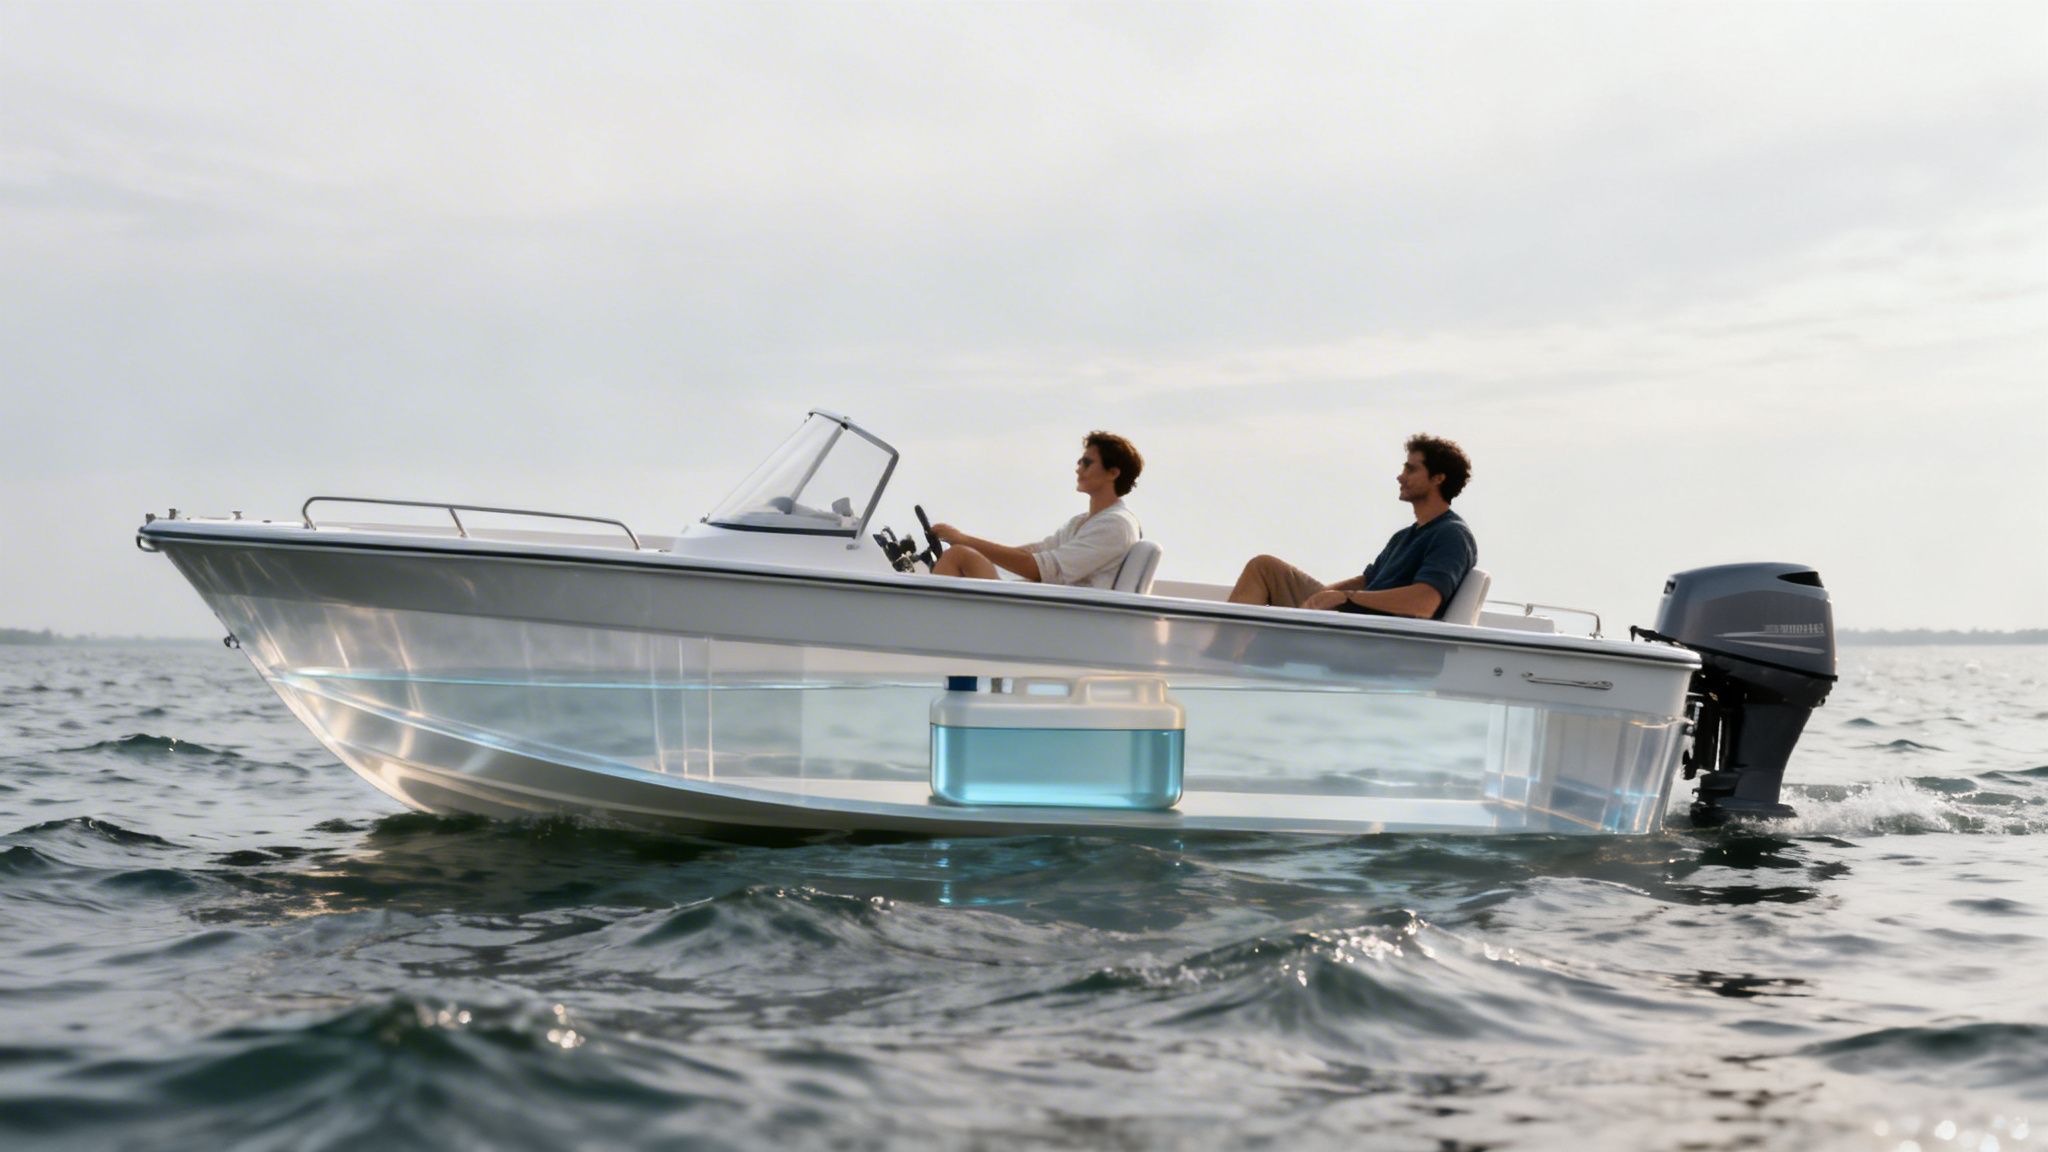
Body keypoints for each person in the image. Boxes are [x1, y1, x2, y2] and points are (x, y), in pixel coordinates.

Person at [1228, 434, 1476, 619]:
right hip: (1354, 615)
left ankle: (1219, 662)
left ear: (1438, 478)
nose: (1400, 476)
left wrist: (1346, 598)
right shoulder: (1405, 536)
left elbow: (1423, 604)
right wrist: (1323, 595)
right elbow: (1367, 580)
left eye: (1411, 469)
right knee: (1264, 568)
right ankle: (1226, 657)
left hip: (1370, 634)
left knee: (1263, 567)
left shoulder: (1451, 535)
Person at [929, 432, 1144, 588]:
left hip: (1062, 618)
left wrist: (963, 540)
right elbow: (1033, 553)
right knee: (963, 554)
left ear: (1113, 473)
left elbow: (1041, 569)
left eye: (1087, 463)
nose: (1078, 469)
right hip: (1050, 608)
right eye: (1080, 462)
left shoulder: (1115, 525)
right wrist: (976, 548)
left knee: (959, 556)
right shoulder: (1081, 522)